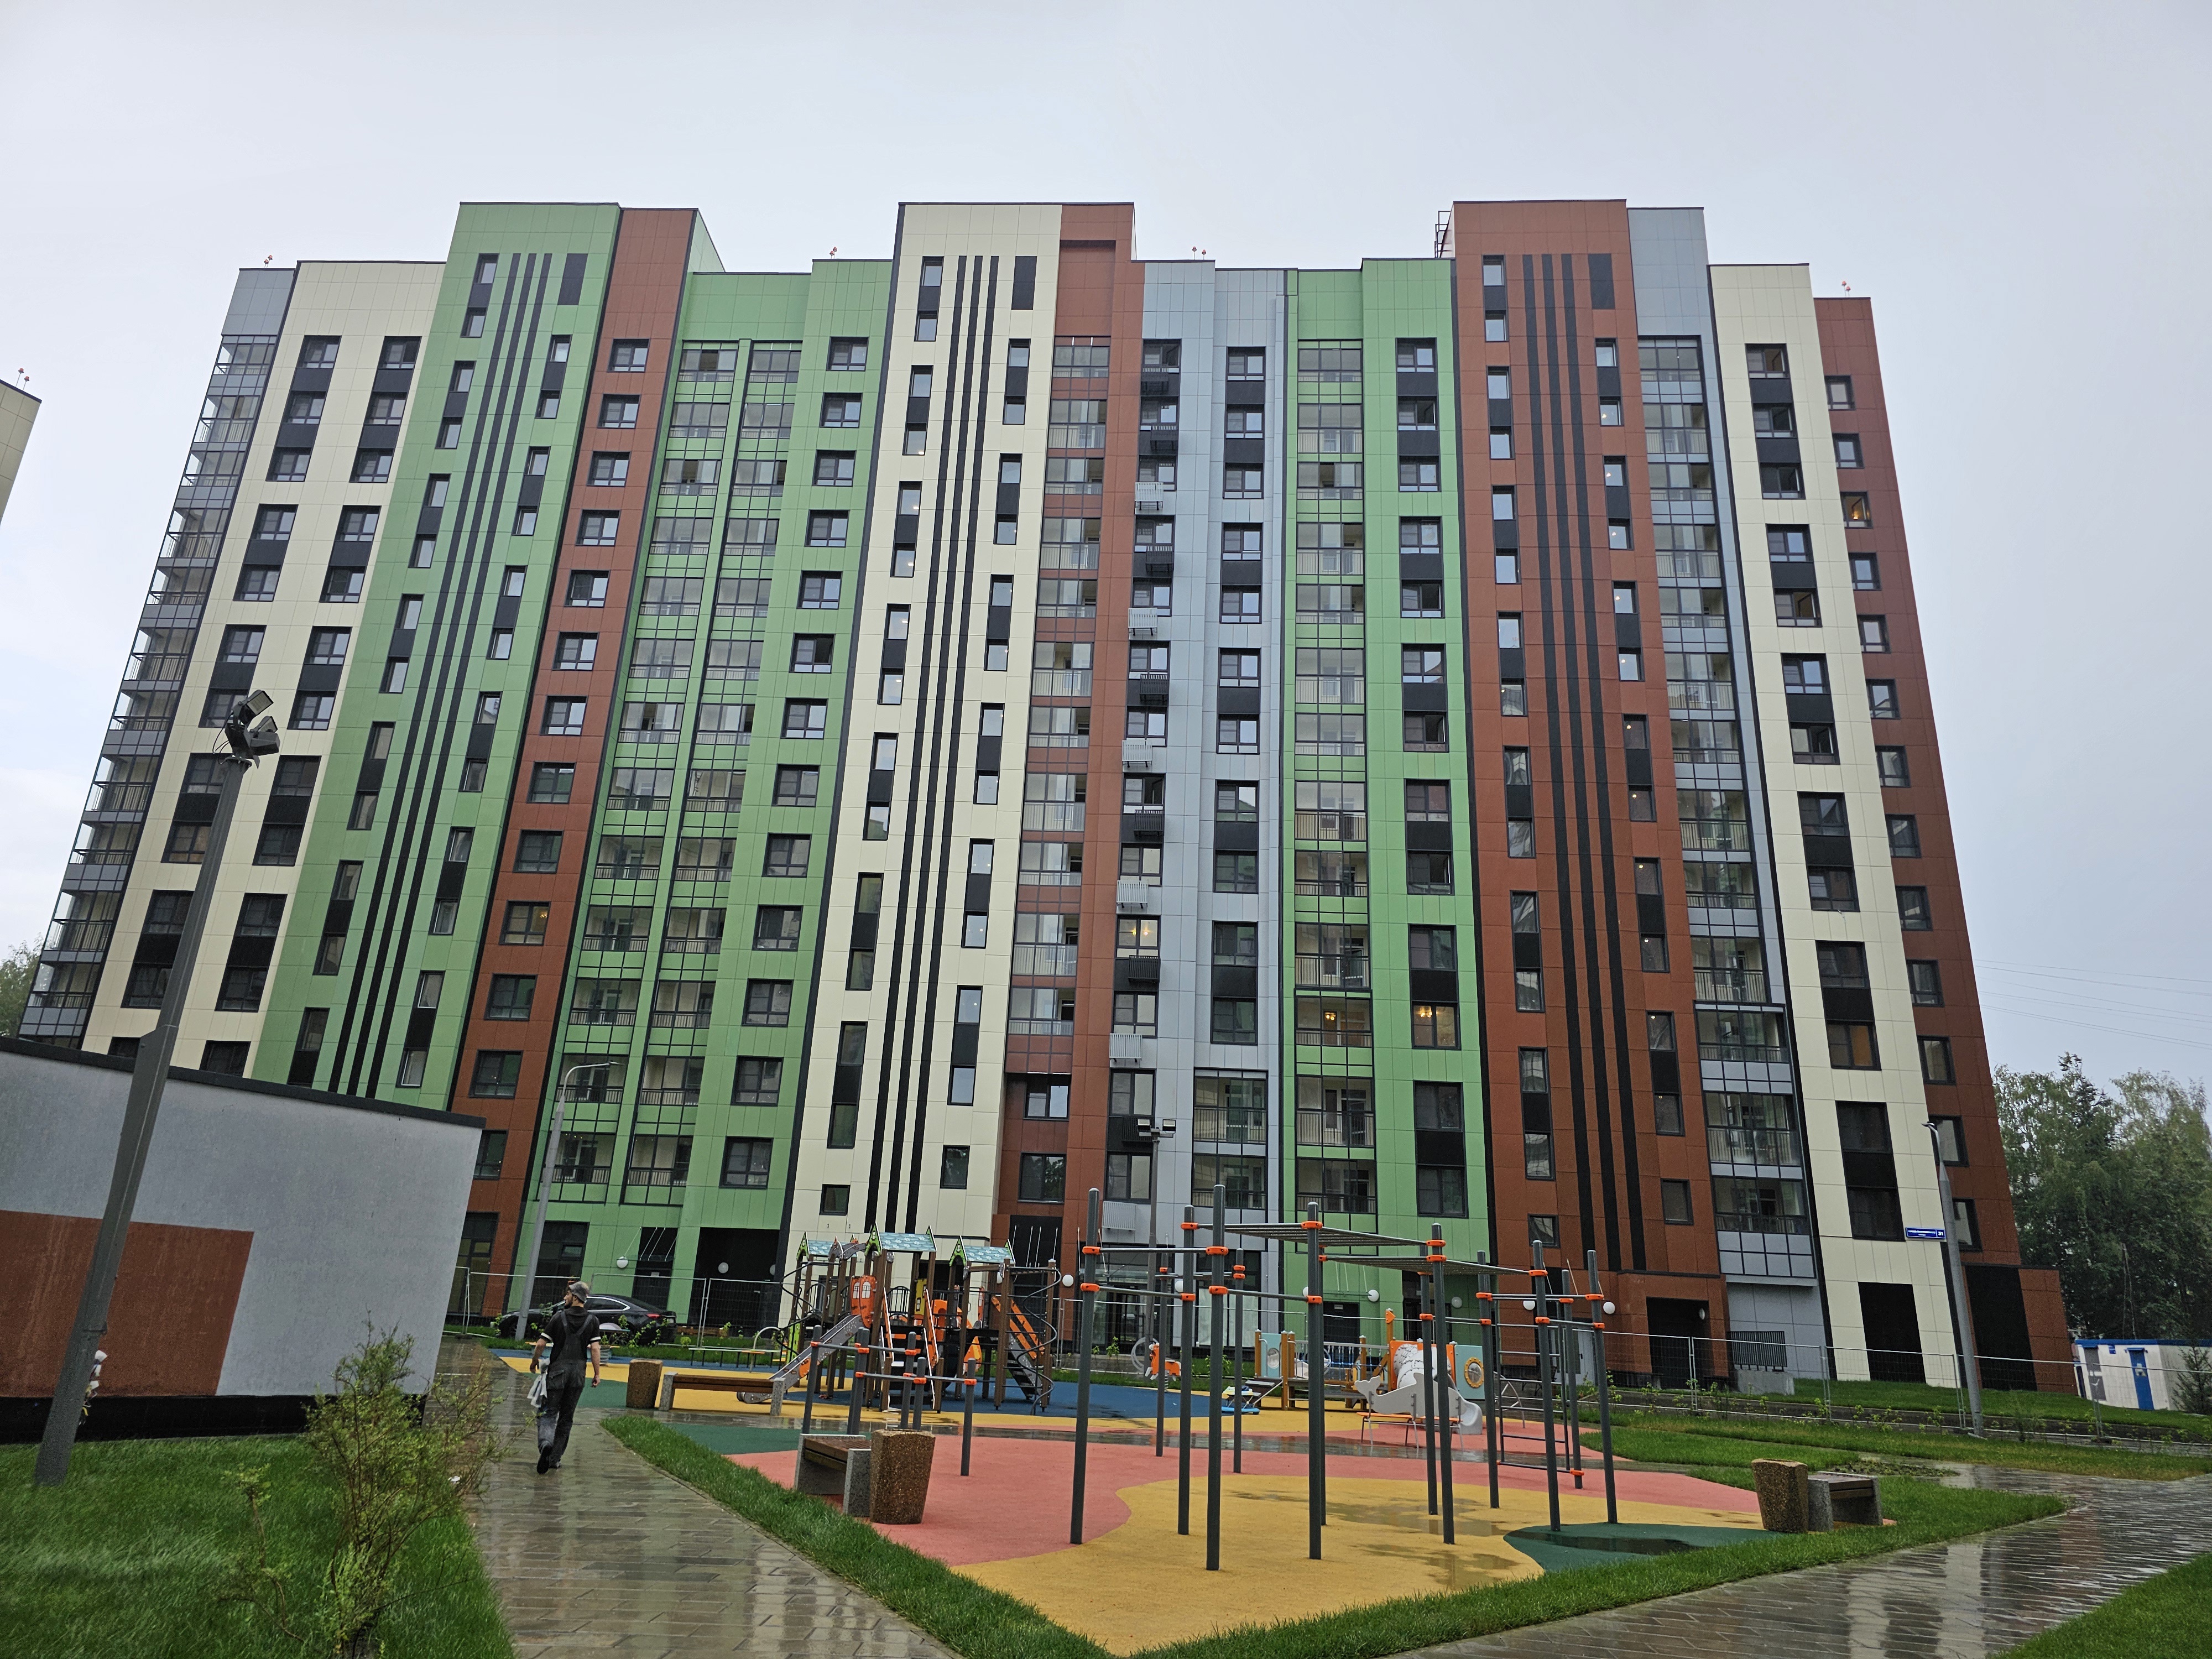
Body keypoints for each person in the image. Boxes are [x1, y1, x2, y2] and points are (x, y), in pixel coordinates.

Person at [530, 1280, 604, 1473]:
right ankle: (555, 1459)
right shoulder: (593, 1321)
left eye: (568, 1294)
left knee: (548, 1413)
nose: (565, 1297)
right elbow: (595, 1349)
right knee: (566, 1418)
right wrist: (597, 1373)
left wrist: (534, 1361)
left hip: (557, 1372)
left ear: (576, 1297)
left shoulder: (558, 1317)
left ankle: (546, 1444)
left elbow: (541, 1344)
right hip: (578, 1374)